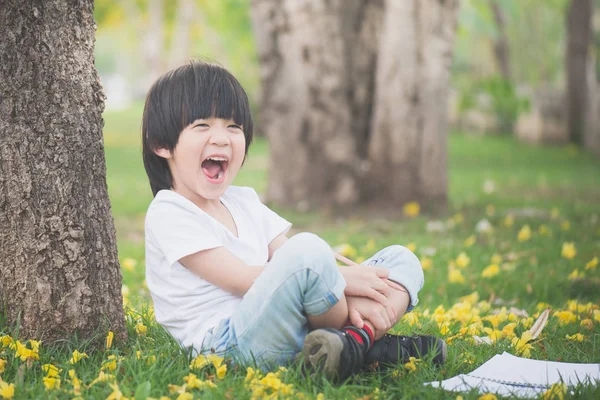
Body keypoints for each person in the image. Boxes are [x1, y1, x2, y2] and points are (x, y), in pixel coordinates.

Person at [142, 60, 446, 382]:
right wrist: (342, 280)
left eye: (234, 127)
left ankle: (346, 346)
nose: (222, 139)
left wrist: (344, 275)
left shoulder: (242, 200)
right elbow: (244, 279)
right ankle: (365, 342)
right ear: (161, 144)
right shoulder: (170, 212)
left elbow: (288, 256)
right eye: (202, 126)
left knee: (402, 259)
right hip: (229, 346)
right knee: (308, 251)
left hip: (290, 323)